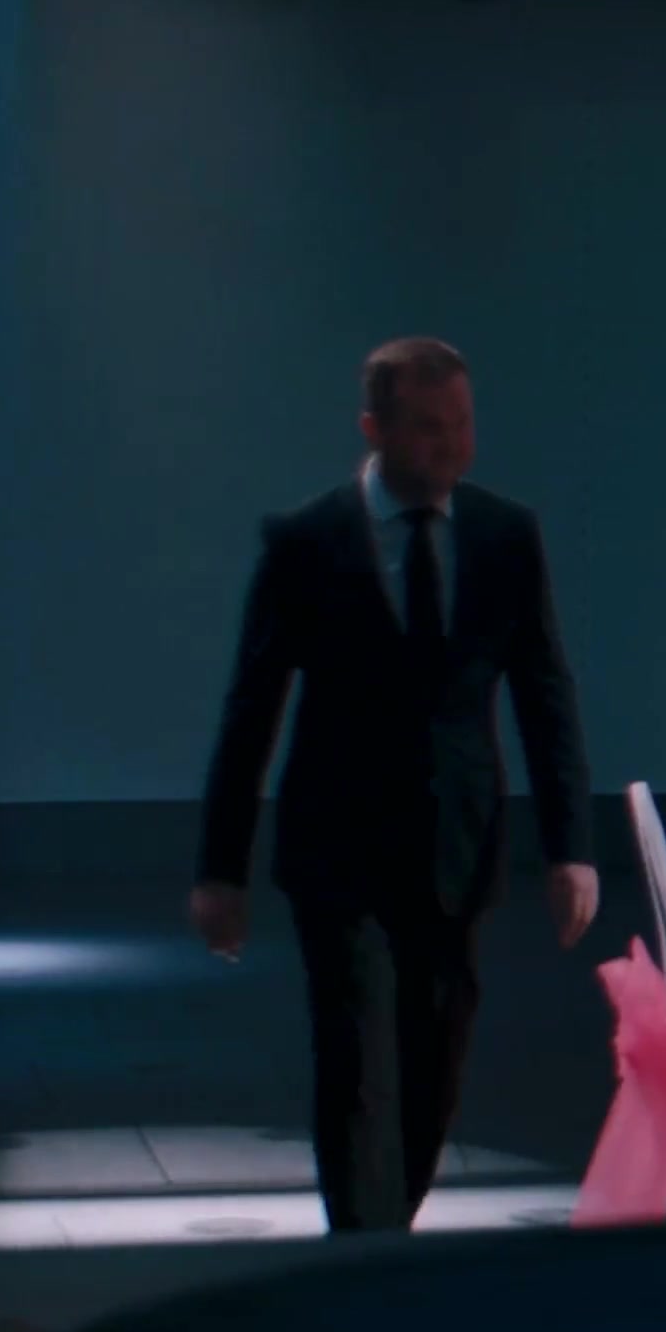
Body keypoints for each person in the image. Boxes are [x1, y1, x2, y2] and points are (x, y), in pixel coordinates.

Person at [191, 338, 600, 1234]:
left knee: (433, 1059)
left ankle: (388, 1231)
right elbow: (253, 705)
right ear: (374, 428)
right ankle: (363, 1250)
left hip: (456, 845)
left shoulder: (504, 535)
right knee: (354, 1060)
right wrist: (221, 869)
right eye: (427, 427)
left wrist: (571, 848)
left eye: (462, 423)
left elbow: (545, 693)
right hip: (337, 849)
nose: (451, 445)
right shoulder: (307, 541)